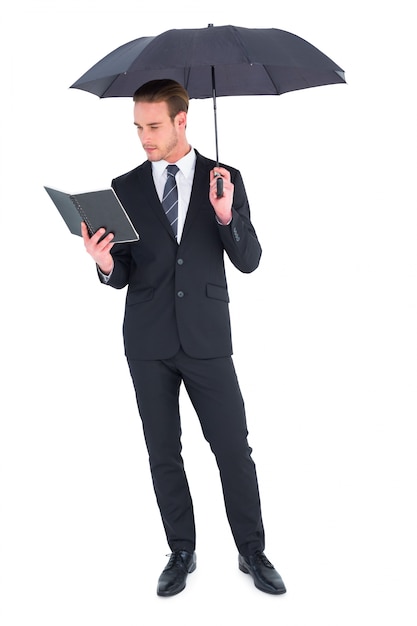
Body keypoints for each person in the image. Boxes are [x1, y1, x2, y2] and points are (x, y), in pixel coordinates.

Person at [81, 78, 286, 597]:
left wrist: (225, 216)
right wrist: (104, 262)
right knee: (162, 451)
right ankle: (181, 549)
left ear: (181, 120)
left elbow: (250, 260)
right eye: (137, 128)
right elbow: (122, 270)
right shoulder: (124, 187)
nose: (144, 138)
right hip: (147, 343)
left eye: (153, 126)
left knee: (233, 449)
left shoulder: (227, 178)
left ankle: (252, 550)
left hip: (207, 339)